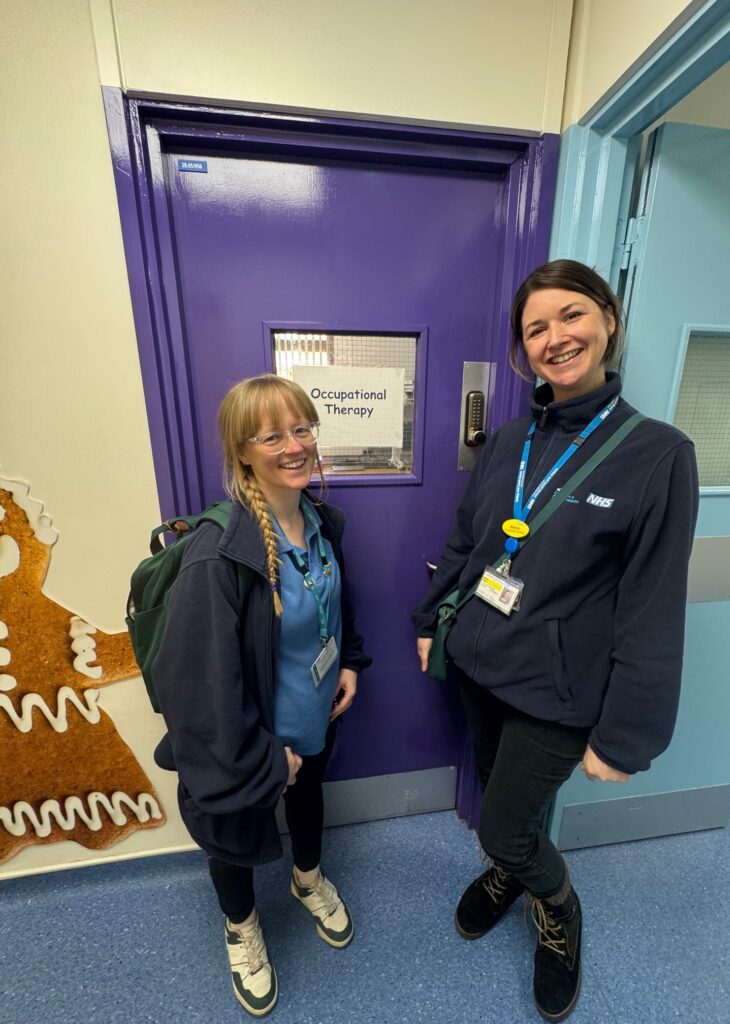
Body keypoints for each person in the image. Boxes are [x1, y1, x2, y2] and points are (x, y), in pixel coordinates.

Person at [412, 260, 698, 1022]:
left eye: (571, 316)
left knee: (505, 824)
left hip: (560, 691)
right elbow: (470, 541)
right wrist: (430, 621)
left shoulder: (659, 454)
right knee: (497, 800)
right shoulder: (510, 440)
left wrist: (625, 735)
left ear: (607, 319)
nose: (555, 337)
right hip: (480, 661)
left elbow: (652, 603)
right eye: (535, 328)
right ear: (522, 350)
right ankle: (509, 869)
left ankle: (558, 908)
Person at [152, 374, 371, 1018]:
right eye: (272, 435)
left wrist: (349, 663)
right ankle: (241, 927)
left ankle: (307, 878)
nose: (295, 445)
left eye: (302, 428)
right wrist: (266, 758)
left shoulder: (319, 521)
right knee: (233, 832)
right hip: (251, 739)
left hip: (315, 712)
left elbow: (334, 603)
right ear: (242, 452)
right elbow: (199, 692)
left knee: (309, 800)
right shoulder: (219, 555)